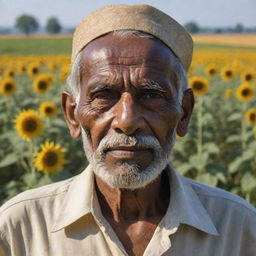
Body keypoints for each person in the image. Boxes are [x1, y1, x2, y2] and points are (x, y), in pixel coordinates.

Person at [0, 4, 255, 256]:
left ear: (184, 113)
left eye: (151, 95)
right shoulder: (20, 229)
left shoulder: (239, 229)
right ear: (72, 115)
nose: (126, 120)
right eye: (103, 95)